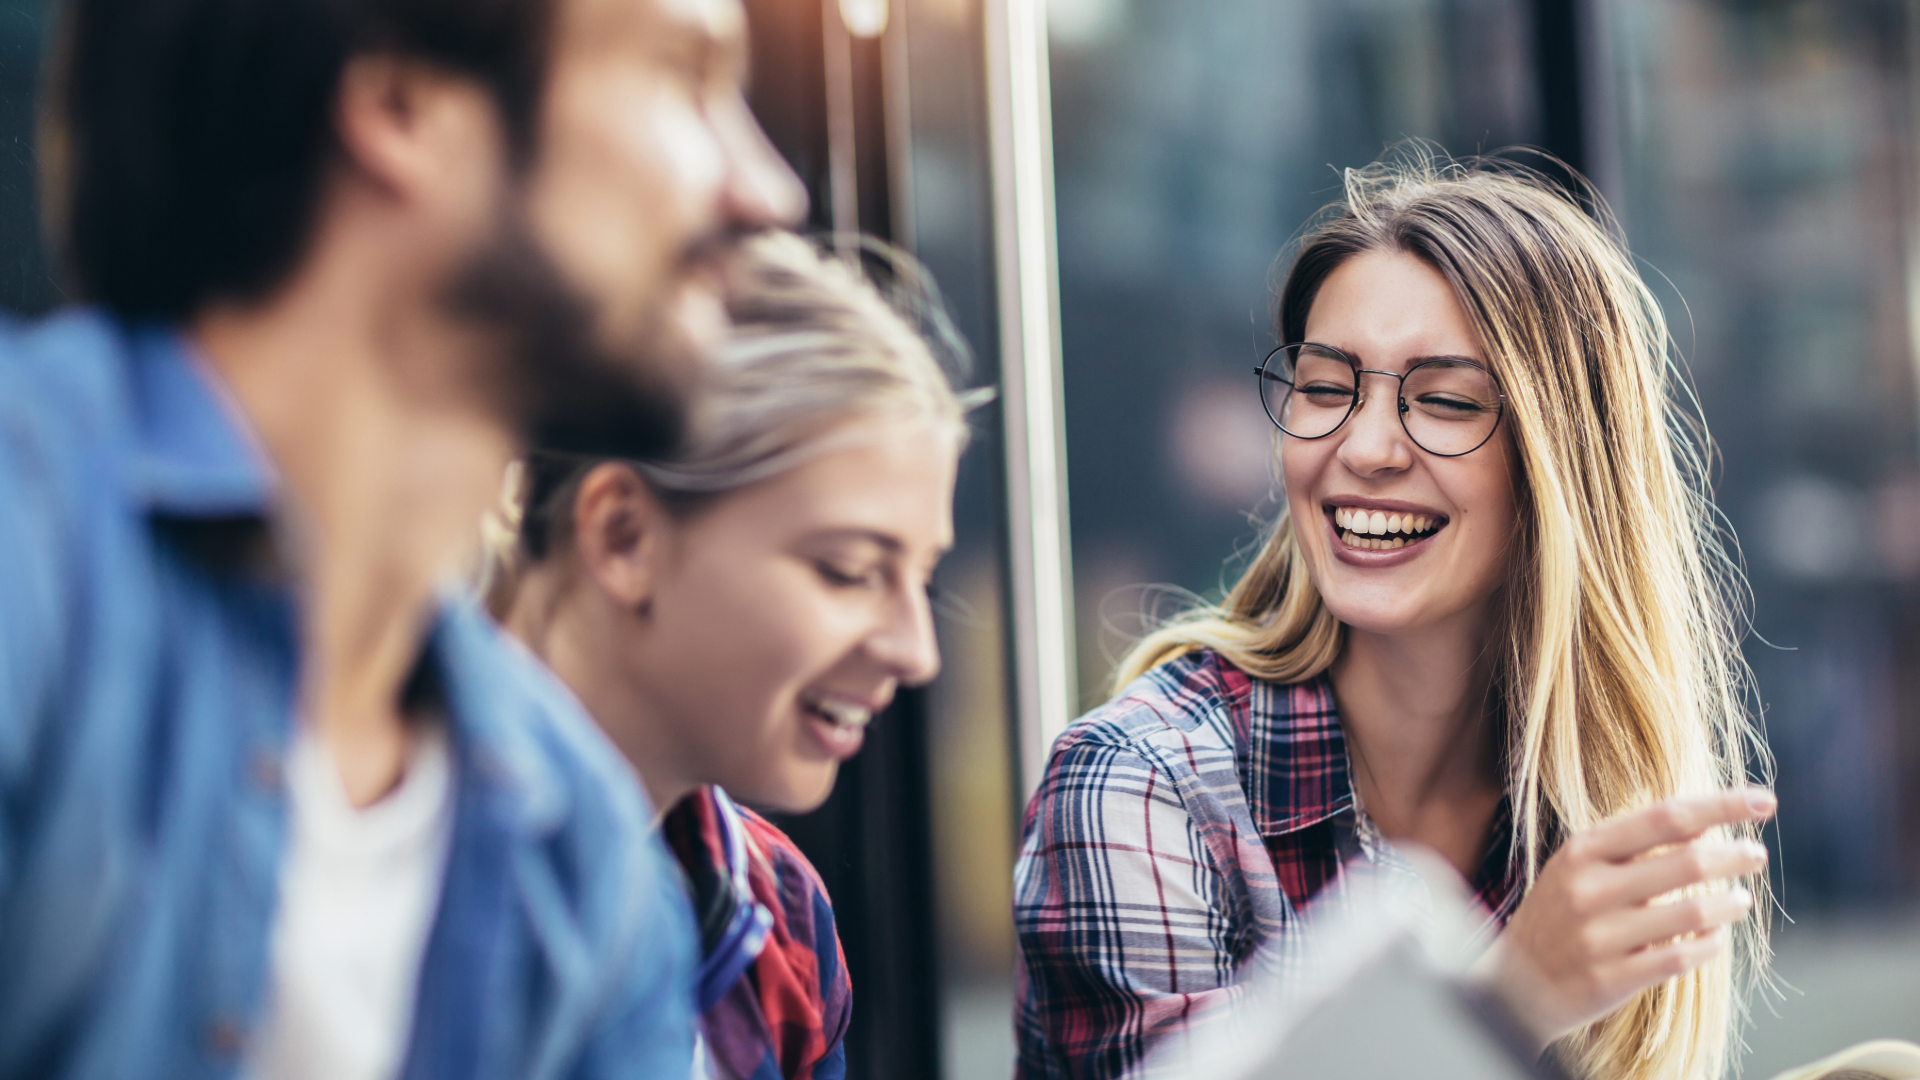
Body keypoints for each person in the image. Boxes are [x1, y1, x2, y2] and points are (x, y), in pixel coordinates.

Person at [0, 0, 804, 1075]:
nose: (768, 190)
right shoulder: (34, 548)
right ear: (402, 103)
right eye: (683, 78)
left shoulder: (579, 865)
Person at [1013, 152, 1776, 1080]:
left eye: (1445, 401)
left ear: (1563, 469)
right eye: (1328, 388)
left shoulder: (1590, 806)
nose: (1364, 448)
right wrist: (1505, 1002)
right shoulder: (1140, 785)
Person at [482, 231, 972, 1080]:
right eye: (848, 571)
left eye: (920, 582)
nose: (914, 650)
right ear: (623, 534)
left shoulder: (781, 919)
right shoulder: (391, 859)